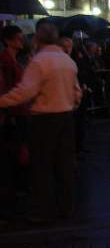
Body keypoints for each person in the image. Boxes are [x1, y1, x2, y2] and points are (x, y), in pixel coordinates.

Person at [0, 21, 81, 223]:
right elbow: (77, 92)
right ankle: (66, 208)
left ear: (37, 38)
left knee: (42, 166)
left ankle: (43, 210)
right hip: (66, 117)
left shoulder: (39, 62)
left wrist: (3, 101)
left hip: (44, 118)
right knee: (64, 165)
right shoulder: (67, 61)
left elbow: (26, 91)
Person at [0, 26, 29, 216]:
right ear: (8, 40)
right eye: (18, 38)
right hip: (12, 111)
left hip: (19, 109)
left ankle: (17, 188)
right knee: (12, 152)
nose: (22, 41)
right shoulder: (5, 61)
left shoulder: (15, 60)